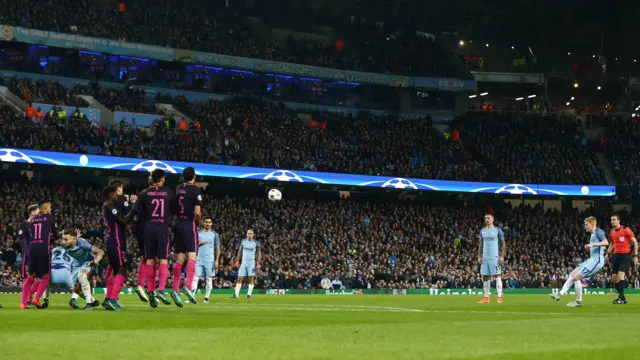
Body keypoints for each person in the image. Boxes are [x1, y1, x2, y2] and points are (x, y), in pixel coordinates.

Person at [132, 169, 176, 308]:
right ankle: (161, 290)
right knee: (163, 259)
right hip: (162, 228)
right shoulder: (168, 192)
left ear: (152, 178)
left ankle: (150, 290)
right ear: (162, 178)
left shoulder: (144, 193)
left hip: (148, 228)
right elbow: (173, 209)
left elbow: (137, 212)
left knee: (149, 259)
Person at [552, 216, 608, 307]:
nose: (585, 226)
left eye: (586, 224)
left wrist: (592, 244)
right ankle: (559, 294)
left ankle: (578, 302)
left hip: (596, 261)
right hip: (591, 260)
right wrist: (590, 247)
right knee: (572, 274)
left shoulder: (598, 231)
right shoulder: (593, 233)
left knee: (576, 277)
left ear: (592, 224)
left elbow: (606, 242)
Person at [170, 167, 202, 307]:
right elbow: (197, 212)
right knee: (192, 256)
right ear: (193, 176)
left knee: (180, 258)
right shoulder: (195, 190)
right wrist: (198, 222)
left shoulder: (178, 188)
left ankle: (175, 290)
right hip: (189, 224)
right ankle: (188, 287)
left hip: (177, 223)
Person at [102, 185, 135, 310]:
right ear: (111, 194)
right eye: (115, 193)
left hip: (112, 239)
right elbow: (123, 221)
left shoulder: (108, 206)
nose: (117, 195)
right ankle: (112, 299)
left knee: (115, 270)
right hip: (116, 240)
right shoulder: (110, 206)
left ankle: (108, 299)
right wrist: (133, 208)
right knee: (121, 270)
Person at [21, 200, 58, 309]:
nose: (50, 210)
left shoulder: (32, 220)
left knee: (30, 276)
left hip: (32, 247)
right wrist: (55, 237)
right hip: (43, 248)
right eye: (50, 208)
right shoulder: (49, 218)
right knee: (45, 276)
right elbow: (55, 235)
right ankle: (36, 299)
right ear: (45, 209)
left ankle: (23, 303)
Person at [61, 228, 104, 310]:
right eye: (63, 239)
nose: (63, 242)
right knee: (75, 288)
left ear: (74, 239)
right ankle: (93, 301)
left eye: (65, 239)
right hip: (76, 263)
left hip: (88, 261)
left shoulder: (82, 244)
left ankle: (89, 304)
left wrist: (95, 261)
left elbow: (100, 252)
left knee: (81, 276)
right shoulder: (64, 244)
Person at [607, 214, 638, 304]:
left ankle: (620, 298)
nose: (612, 221)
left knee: (621, 276)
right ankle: (622, 297)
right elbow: (612, 244)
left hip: (625, 255)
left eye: (614, 219)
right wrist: (607, 254)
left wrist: (635, 256)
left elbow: (635, 242)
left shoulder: (626, 230)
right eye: (611, 220)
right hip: (616, 255)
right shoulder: (612, 231)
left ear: (618, 221)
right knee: (614, 278)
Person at [477, 214, 506, 304]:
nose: (487, 219)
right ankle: (486, 298)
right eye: (485, 218)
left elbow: (503, 243)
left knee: (497, 275)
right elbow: (480, 244)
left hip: (494, 257)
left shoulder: (497, 230)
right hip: (485, 257)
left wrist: (501, 256)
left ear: (493, 219)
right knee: (485, 277)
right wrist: (479, 256)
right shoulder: (483, 230)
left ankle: (499, 297)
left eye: (488, 218)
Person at [191, 217, 220, 304]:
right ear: (203, 223)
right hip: (199, 259)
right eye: (206, 222)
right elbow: (193, 246)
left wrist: (217, 260)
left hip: (210, 260)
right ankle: (192, 296)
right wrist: (199, 244)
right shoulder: (198, 233)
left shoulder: (215, 234)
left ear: (211, 224)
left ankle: (206, 298)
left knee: (208, 279)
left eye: (209, 222)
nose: (207, 224)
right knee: (195, 278)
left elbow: (218, 248)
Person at [232, 229, 261, 299]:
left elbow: (259, 254)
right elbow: (240, 251)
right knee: (239, 278)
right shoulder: (243, 242)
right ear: (246, 234)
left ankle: (249, 295)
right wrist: (237, 261)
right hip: (243, 263)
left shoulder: (256, 243)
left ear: (253, 234)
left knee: (251, 278)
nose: (249, 235)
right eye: (248, 233)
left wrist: (258, 263)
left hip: (252, 263)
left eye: (251, 234)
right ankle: (236, 294)